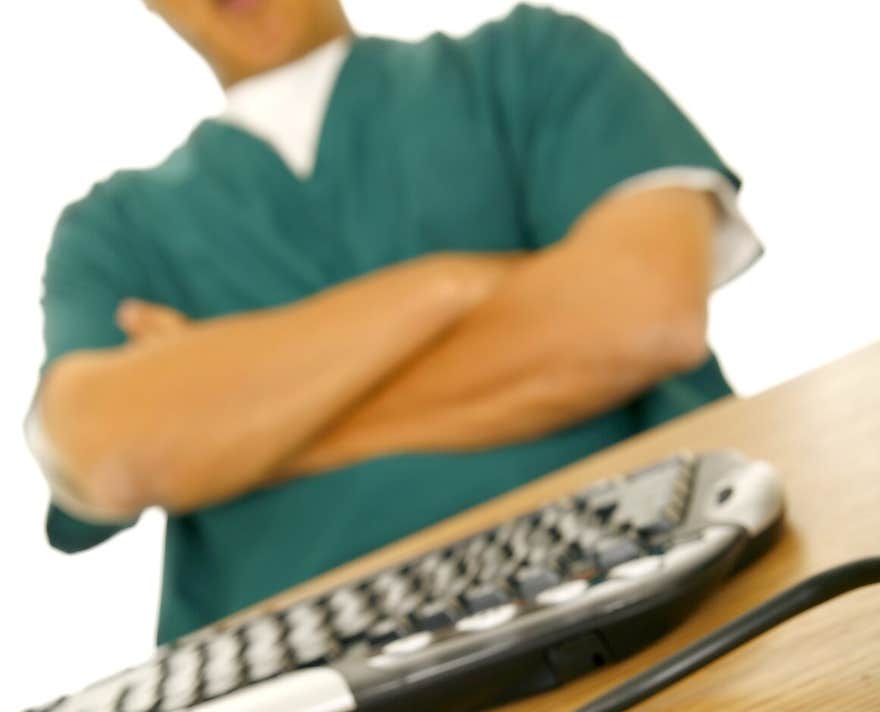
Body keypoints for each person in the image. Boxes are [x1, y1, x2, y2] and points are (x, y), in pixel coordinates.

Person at [29, 0, 760, 645]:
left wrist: (231, 437)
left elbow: (636, 317)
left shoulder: (534, 61)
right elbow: (104, 454)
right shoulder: (113, 231)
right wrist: (453, 284)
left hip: (661, 604)